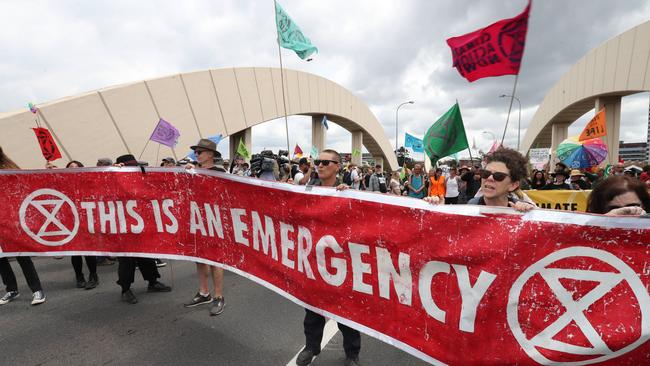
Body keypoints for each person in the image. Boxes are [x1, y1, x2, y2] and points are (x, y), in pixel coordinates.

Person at [298, 149, 360, 366]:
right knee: (312, 311)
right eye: (318, 161)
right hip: (314, 261)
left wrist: (346, 196)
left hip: (340, 264)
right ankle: (311, 347)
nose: (320, 165)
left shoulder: (348, 193)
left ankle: (352, 354)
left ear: (338, 166)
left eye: (326, 162)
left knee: (346, 313)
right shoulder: (307, 190)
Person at [114, 154, 172, 304]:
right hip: (123, 226)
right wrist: (112, 171)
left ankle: (152, 281)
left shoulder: (141, 177)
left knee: (146, 254)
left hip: (142, 224)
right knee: (126, 260)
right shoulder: (114, 177)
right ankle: (125, 289)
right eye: (128, 166)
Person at [183, 139, 226, 316]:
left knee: (216, 259)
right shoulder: (193, 170)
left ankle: (218, 296)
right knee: (199, 257)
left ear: (210, 154)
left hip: (214, 220)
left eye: (200, 152)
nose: (196, 154)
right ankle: (204, 292)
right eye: (196, 152)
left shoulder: (220, 172)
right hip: (197, 219)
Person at [0, 146, 46, 305]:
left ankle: (37, 289)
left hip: (10, 221)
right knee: (1, 259)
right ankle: (11, 289)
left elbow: (22, 190)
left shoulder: (9, 170)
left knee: (22, 256)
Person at [428, 148, 534, 212]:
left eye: (498, 176)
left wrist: (528, 215)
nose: (490, 178)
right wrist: (437, 212)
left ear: (513, 185)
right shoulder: (470, 207)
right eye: (485, 173)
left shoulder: (521, 210)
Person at [65, 160, 99, 289]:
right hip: (71, 221)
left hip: (86, 219)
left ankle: (93, 275)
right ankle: (79, 276)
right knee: (75, 251)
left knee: (89, 250)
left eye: (75, 166)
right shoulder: (64, 182)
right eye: (70, 167)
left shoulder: (87, 181)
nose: (73, 168)